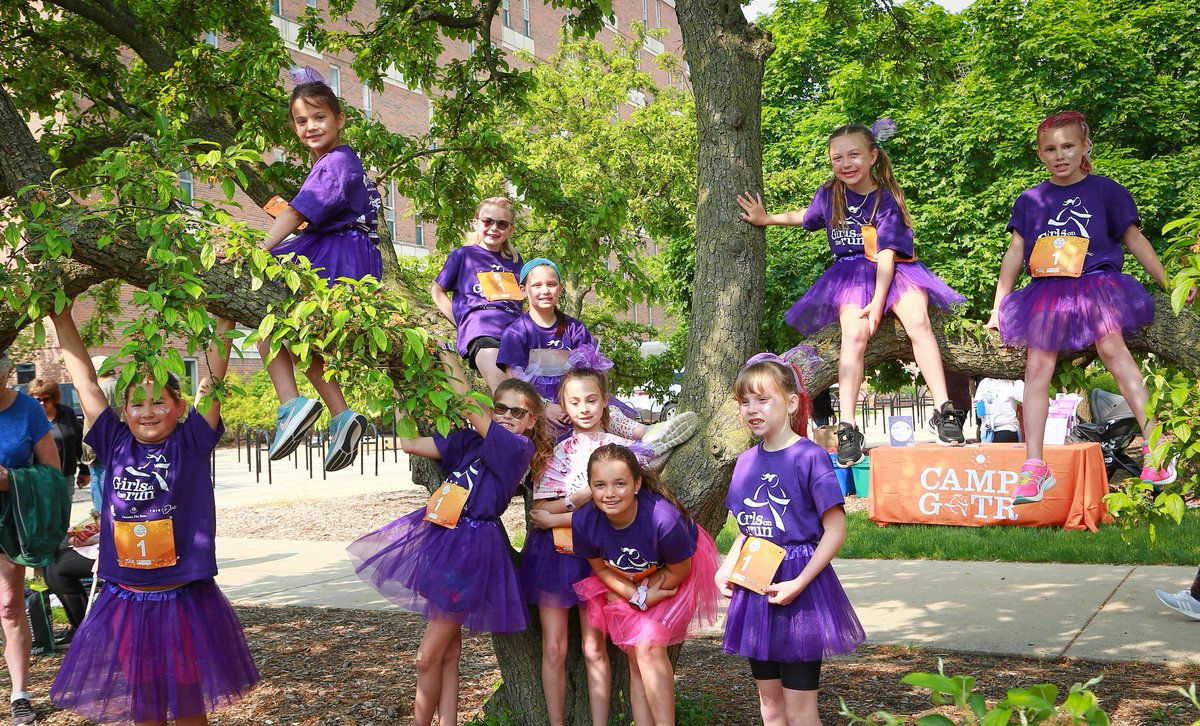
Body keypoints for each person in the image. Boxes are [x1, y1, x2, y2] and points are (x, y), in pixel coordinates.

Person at [47, 303, 259, 724]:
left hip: (183, 597)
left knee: (186, 701)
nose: (147, 412)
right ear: (123, 411)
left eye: (159, 402)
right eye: (136, 404)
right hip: (126, 596)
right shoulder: (113, 440)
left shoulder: (192, 441)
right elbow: (85, 379)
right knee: (142, 701)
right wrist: (60, 317)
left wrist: (225, 317)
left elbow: (214, 380)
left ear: (179, 407)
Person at [738, 121, 967, 467]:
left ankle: (943, 410)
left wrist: (878, 302)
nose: (846, 164)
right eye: (837, 158)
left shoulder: (886, 199)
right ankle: (848, 426)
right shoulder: (831, 195)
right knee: (854, 334)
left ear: (873, 156)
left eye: (854, 155)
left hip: (895, 270)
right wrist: (766, 218)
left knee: (919, 321)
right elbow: (807, 218)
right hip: (850, 273)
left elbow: (888, 255)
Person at [347, 345, 552, 726]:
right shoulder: (466, 441)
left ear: (531, 421)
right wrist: (398, 393)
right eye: (500, 409)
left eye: (517, 412)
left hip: (471, 547)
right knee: (447, 654)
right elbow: (410, 444)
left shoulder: (518, 449)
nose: (507, 416)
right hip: (441, 536)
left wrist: (449, 360)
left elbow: (469, 406)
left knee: (426, 656)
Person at [985, 111, 1183, 504]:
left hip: (1095, 284)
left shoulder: (1107, 190)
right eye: (1051, 149)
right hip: (1047, 290)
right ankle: (1035, 467)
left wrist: (1171, 283)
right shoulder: (1031, 200)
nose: (1060, 155)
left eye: (1068, 146)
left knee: (1113, 350)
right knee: (1036, 368)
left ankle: (1157, 449)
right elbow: (1015, 253)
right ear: (1040, 154)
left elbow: (1135, 240)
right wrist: (998, 307)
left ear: (1084, 148)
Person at [715, 350, 865, 726]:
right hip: (756, 588)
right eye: (745, 401)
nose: (752, 409)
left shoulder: (810, 457)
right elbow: (749, 531)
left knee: (800, 709)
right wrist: (726, 568)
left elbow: (836, 530)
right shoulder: (745, 462)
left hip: (800, 586)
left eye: (763, 399)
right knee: (770, 707)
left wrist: (799, 582)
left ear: (791, 401)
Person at [252, 66, 382, 472]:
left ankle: (290, 405)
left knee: (265, 324)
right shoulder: (336, 161)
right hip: (350, 251)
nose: (310, 126)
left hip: (338, 252)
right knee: (299, 337)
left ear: (340, 119)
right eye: (301, 120)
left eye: (319, 117)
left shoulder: (336, 162)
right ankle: (342, 416)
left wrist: (260, 249)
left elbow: (296, 212)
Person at [518, 368, 655, 726]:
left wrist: (575, 509)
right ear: (562, 405)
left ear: (605, 400)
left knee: (595, 647)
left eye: (592, 399)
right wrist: (577, 503)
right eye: (574, 401)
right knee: (554, 646)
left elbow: (619, 514)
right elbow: (540, 513)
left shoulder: (621, 451)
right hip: (555, 558)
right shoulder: (555, 452)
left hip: (602, 557)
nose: (584, 408)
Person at [572, 444, 721, 726]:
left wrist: (646, 594)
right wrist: (636, 596)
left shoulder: (663, 520)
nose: (610, 493)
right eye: (600, 485)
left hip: (674, 572)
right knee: (635, 658)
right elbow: (599, 567)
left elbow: (679, 572)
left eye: (620, 484)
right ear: (590, 487)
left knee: (648, 647)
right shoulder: (583, 521)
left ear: (637, 483)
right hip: (624, 579)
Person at [498, 258, 697, 451]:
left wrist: (577, 404)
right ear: (523, 290)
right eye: (537, 285)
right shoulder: (516, 333)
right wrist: (545, 407)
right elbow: (514, 382)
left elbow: (595, 372)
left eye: (551, 284)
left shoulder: (575, 328)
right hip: (539, 409)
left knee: (611, 414)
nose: (545, 291)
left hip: (578, 400)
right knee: (548, 442)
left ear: (560, 288)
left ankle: (650, 435)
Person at [0, 352, 61, 725]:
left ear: (6, 373)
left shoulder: (27, 410)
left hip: (10, 520)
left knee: (8, 605)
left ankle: (20, 694)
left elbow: (52, 473)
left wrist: (10, 480)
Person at [431, 196, 524, 392]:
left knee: (525, 391)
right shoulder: (463, 255)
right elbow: (437, 290)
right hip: (482, 331)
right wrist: (462, 322)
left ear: (511, 229)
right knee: (503, 388)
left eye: (501, 224)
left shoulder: (516, 261)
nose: (494, 228)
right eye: (487, 221)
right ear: (475, 223)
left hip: (515, 334)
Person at [42, 513, 100, 645]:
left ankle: (84, 632)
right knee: (50, 563)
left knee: (56, 569)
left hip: (132, 550)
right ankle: (80, 628)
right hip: (111, 542)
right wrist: (89, 533)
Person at [27, 379, 88, 491]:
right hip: (36, 478)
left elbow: (79, 443)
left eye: (46, 399)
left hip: (65, 476)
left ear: (54, 398)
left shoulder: (67, 414)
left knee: (64, 508)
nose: (42, 403)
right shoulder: (27, 417)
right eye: (37, 399)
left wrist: (84, 470)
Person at [81, 356, 121, 514]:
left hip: (100, 452)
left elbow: (90, 425)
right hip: (122, 450)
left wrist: (88, 455)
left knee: (102, 504)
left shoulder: (99, 391)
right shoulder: (124, 386)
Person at [973, 378, 1025, 443]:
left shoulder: (1013, 382)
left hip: (1006, 429)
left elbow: (1029, 398)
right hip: (987, 431)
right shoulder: (984, 382)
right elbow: (978, 405)